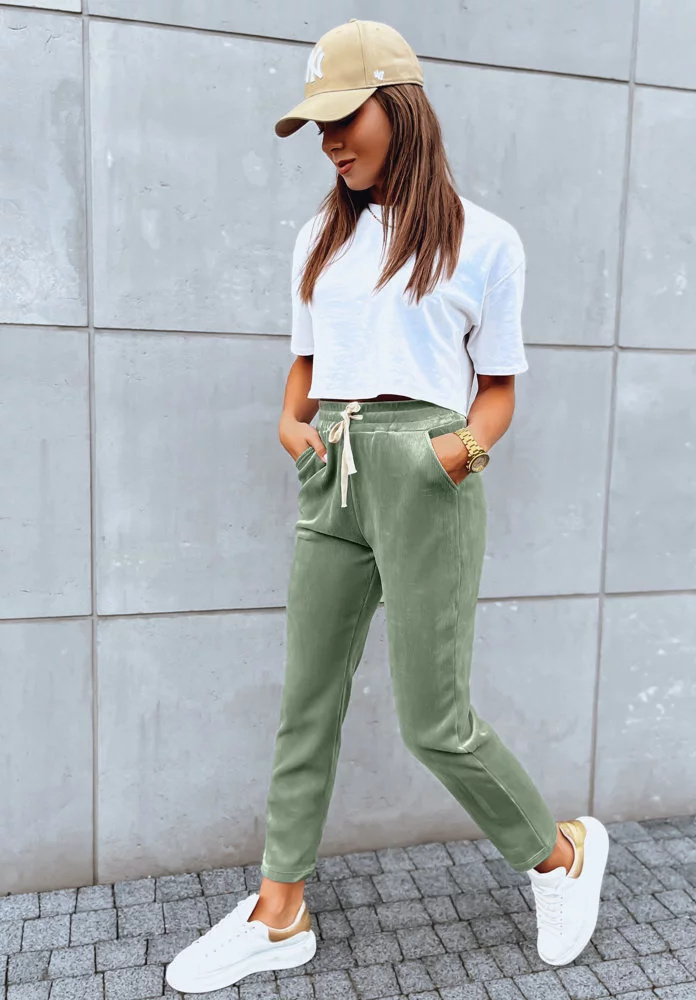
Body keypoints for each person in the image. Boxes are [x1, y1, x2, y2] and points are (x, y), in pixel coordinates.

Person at [166, 18, 610, 995]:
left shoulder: (484, 241)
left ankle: (561, 855)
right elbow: (305, 369)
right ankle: (280, 911)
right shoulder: (316, 239)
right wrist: (293, 429)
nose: (330, 142)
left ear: (399, 108)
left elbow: (498, 388)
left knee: (434, 719)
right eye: (316, 127)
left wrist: (457, 453)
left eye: (344, 118)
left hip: (426, 473)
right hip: (333, 466)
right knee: (306, 704)